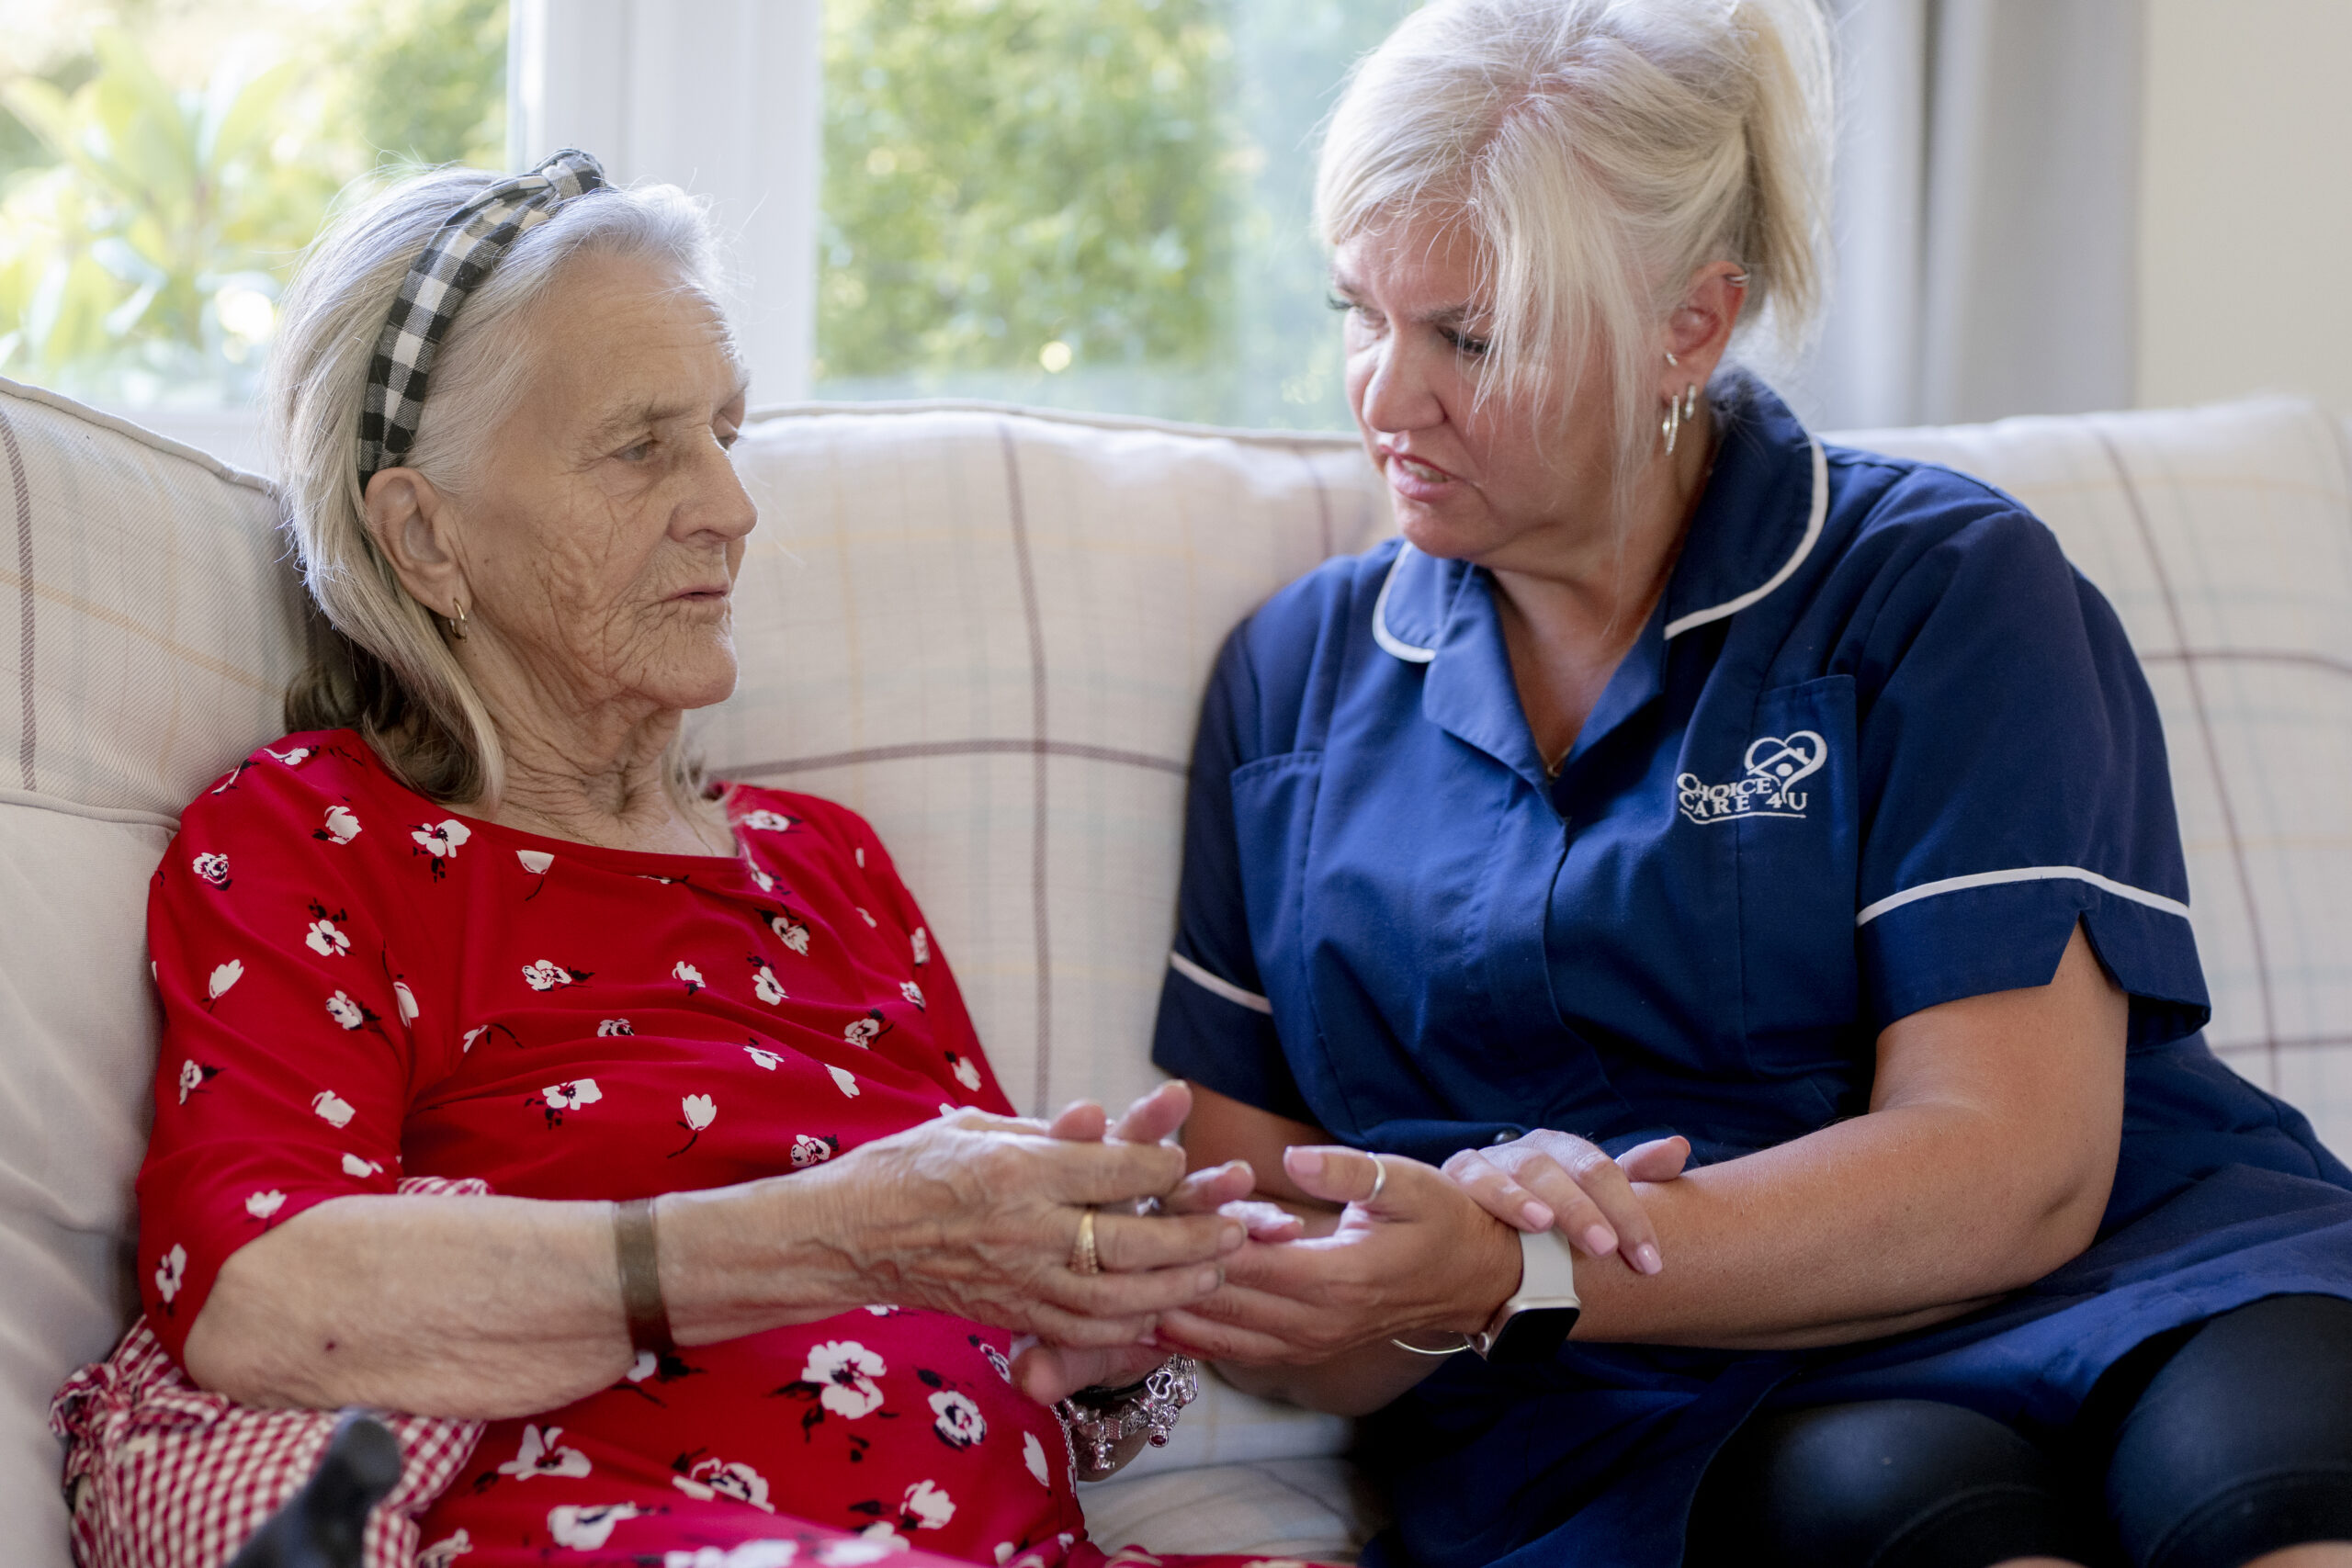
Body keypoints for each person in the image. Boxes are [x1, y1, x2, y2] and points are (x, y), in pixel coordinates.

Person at [1145, 4, 2352, 1566]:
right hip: (1658, 1395)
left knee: (2278, 1491)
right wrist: (1297, 1278)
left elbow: (2016, 1172)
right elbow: (1281, 1257)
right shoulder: (1291, 684)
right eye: (1359, 312)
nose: (1386, 396)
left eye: (1472, 335)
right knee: (1910, 1510)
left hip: (2141, 1270)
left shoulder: (1939, 586)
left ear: (1690, 327)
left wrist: (1527, 1264)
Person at [93, 152, 1273, 1566]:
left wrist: (1103, 1291)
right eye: (643, 445)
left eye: (727, 430)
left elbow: (983, 1280)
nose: (732, 503)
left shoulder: (823, 863)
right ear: (425, 536)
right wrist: (829, 1238)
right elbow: (256, 1295)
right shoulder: (322, 837)